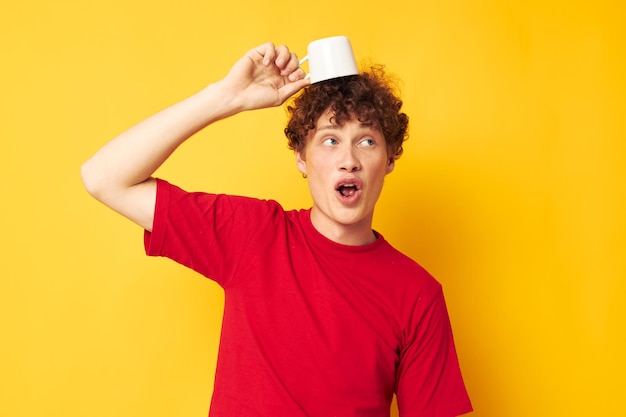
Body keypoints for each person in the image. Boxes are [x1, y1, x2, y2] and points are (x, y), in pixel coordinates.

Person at [81, 42, 472, 417]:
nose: (348, 160)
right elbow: (104, 177)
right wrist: (225, 97)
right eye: (330, 140)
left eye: (367, 141)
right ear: (302, 158)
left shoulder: (418, 295)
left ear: (388, 159)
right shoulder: (253, 235)